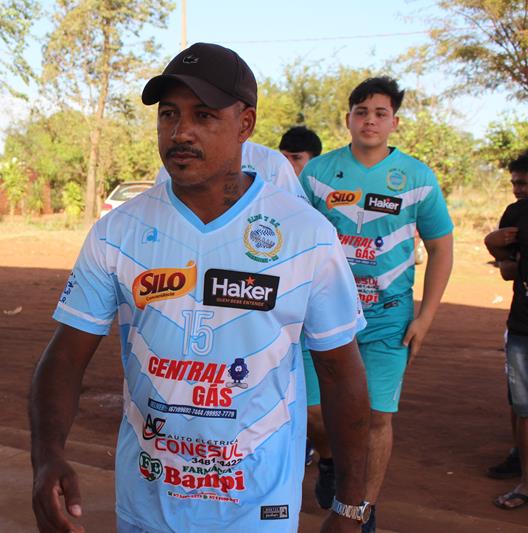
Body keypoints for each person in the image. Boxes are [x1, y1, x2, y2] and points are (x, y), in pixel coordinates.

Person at [30, 42, 372, 533]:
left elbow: (342, 375)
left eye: (204, 115)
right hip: (147, 508)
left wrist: (350, 506)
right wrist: (46, 456)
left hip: (259, 511)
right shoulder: (117, 232)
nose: (180, 132)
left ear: (245, 125)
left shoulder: (305, 235)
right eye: (168, 114)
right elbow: (64, 358)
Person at [299, 77, 454, 532]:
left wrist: (425, 319)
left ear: (395, 122)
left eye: (380, 113)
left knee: (376, 418)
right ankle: (329, 459)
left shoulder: (418, 178)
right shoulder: (317, 175)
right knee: (314, 412)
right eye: (361, 112)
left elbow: (441, 248)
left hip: (389, 318)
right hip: (321, 314)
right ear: (347, 119)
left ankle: (361, 510)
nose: (370, 120)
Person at [277, 126, 330, 468]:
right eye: (283, 159)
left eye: (296, 159)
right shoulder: (270, 200)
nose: (289, 167)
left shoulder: (325, 204)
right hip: (280, 316)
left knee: (315, 410)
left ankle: (329, 460)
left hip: (318, 315)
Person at [484, 152, 528, 509]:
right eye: (514, 182)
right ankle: (524, 476)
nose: (517, 190)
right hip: (523, 324)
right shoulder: (515, 217)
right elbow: (508, 273)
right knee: (522, 403)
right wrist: (493, 244)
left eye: (523, 183)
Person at [154, 140, 307, 201]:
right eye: (169, 114)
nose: (183, 131)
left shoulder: (271, 162)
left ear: (246, 121)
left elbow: (299, 223)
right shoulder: (171, 169)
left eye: (204, 115)